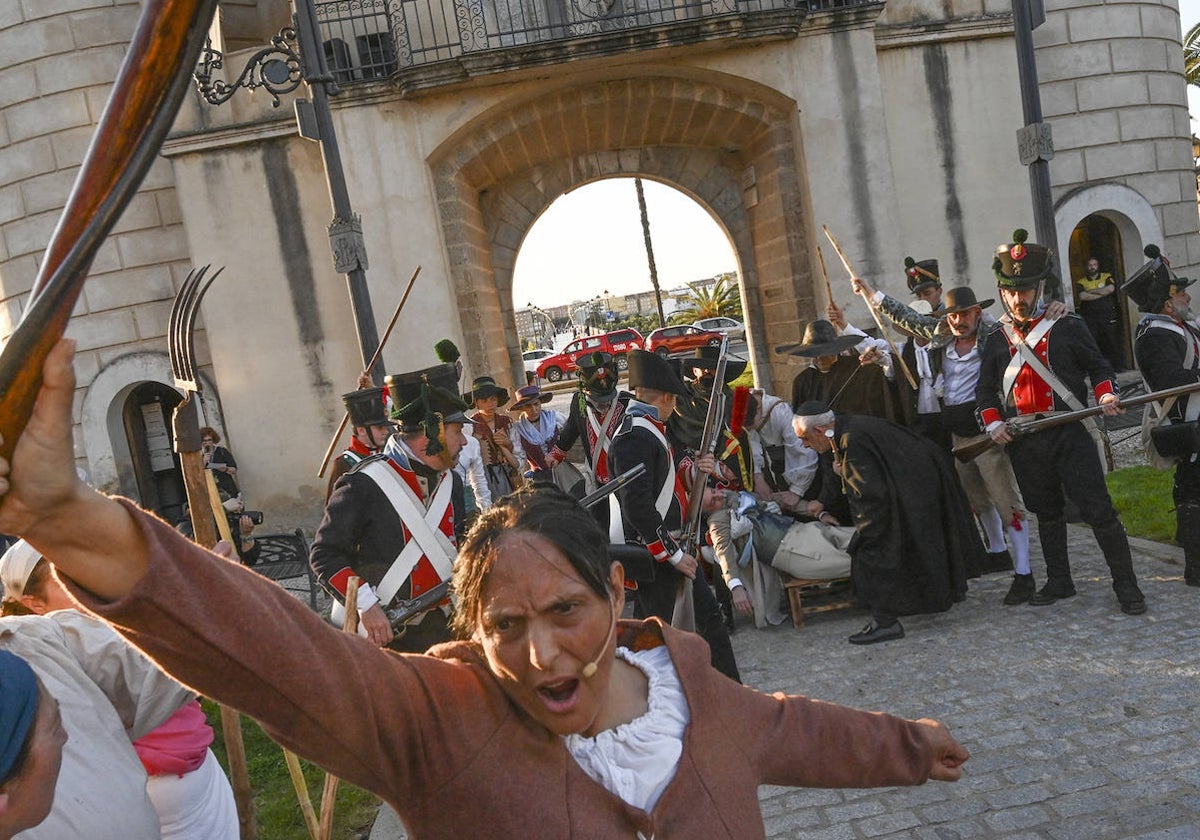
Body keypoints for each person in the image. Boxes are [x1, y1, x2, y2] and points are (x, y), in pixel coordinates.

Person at [0, 341, 970, 836]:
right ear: (473, 627)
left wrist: (905, 742)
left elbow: (791, 729)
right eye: (505, 624)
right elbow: (266, 651)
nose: (542, 651)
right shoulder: (433, 724)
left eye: (565, 612)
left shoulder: (690, 687)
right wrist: (72, 519)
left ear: (615, 602)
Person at [1, 541, 238, 839]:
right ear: (34, 602)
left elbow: (150, 671)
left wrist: (204, 600)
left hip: (202, 793)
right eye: (68, 576)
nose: (92, 582)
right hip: (167, 806)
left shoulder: (37, 640)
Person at [977, 229, 1146, 615]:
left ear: (1040, 289)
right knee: (1046, 512)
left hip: (1069, 430)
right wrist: (992, 425)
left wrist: (1105, 394)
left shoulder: (1068, 326)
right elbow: (985, 393)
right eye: (1012, 291)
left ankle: (1127, 586)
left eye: (1026, 290)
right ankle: (1059, 581)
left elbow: (1099, 367)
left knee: (1099, 510)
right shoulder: (995, 339)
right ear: (1003, 292)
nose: (1019, 299)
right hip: (1026, 439)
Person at [852, 277, 1037, 603]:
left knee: (1006, 501)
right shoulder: (942, 335)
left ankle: (1024, 573)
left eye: (964, 314)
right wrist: (870, 293)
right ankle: (997, 551)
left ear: (978, 313)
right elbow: (907, 318)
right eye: (953, 316)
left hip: (987, 430)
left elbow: (1026, 321)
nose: (958, 321)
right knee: (976, 498)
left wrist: (1052, 306)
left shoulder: (993, 336)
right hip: (956, 433)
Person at [310, 362, 469, 650]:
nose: (465, 440)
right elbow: (325, 555)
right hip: (394, 639)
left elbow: (463, 541)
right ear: (434, 434)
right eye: (457, 431)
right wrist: (366, 606)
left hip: (450, 626)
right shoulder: (363, 484)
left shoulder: (452, 482)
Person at [793, 401, 977, 644]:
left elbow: (869, 495)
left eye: (804, 438)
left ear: (818, 430)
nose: (804, 445)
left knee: (872, 553)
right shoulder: (847, 428)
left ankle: (885, 622)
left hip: (918, 488)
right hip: (919, 483)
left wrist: (866, 530)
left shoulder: (852, 439)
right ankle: (943, 592)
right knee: (920, 542)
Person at [609, 349, 740, 681]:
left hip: (666, 553)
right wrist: (673, 554)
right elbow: (636, 504)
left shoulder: (647, 427)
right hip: (658, 556)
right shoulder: (635, 434)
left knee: (675, 631)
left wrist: (698, 469)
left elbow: (666, 477)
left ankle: (727, 694)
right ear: (666, 397)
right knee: (658, 638)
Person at [1124, 244, 1200, 586]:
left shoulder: (1182, 326)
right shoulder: (1154, 335)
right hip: (1185, 423)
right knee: (1192, 490)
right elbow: (1170, 381)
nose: (1187, 297)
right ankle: (1196, 566)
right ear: (1167, 304)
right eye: (1181, 293)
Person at [704, 488, 853, 628]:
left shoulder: (740, 496)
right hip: (794, 551)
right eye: (713, 501)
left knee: (862, 535)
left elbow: (783, 499)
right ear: (710, 510)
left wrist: (819, 513)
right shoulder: (717, 520)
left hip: (805, 530)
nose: (719, 496)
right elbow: (723, 551)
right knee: (854, 562)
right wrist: (735, 587)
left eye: (714, 491)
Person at [782, 319, 900, 422]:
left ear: (835, 350)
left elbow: (887, 381)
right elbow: (800, 418)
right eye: (815, 354)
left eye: (824, 354)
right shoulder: (803, 381)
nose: (819, 359)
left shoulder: (858, 367)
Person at [745, 386, 818, 515]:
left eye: (750, 425)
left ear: (758, 410)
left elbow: (803, 451)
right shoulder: (743, 407)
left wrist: (797, 490)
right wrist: (758, 477)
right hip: (773, 472)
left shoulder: (780, 412)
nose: (748, 428)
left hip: (800, 471)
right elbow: (751, 443)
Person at [326, 387, 395, 501]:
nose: (386, 431)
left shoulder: (385, 455)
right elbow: (334, 509)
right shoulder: (344, 463)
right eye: (380, 428)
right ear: (361, 430)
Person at [468, 376, 523, 502]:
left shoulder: (506, 422)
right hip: (482, 477)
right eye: (484, 400)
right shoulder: (470, 426)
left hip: (508, 476)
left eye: (493, 399)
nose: (490, 404)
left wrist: (507, 444)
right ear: (476, 402)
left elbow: (519, 455)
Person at [1075, 256, 1124, 370]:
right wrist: (1102, 293)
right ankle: (1097, 368)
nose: (1092, 267)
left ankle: (1117, 367)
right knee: (1093, 342)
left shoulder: (1106, 276)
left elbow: (1110, 289)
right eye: (1090, 265)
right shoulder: (1081, 281)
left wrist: (1091, 291)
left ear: (1098, 266)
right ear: (1087, 267)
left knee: (1111, 340)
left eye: (1094, 265)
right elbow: (1083, 296)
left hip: (1108, 315)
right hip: (1091, 318)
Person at [199, 426, 238, 501]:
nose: (207, 443)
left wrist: (225, 469)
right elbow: (196, 475)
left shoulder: (222, 451)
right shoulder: (198, 456)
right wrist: (204, 462)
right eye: (204, 441)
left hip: (227, 489)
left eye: (209, 440)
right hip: (211, 490)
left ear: (213, 440)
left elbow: (234, 469)